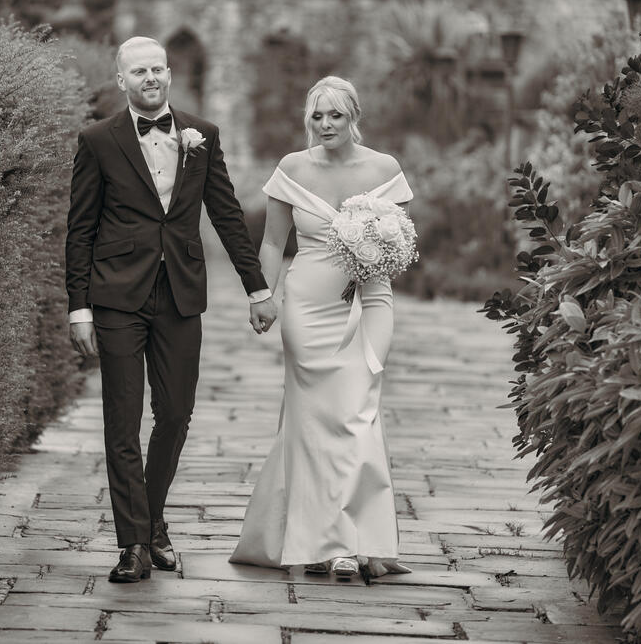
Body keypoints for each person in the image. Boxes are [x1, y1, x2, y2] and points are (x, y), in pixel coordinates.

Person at [65, 36, 278, 583]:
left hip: (180, 294)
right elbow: (81, 229)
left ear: (169, 74)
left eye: (158, 68)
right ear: (121, 80)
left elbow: (227, 214)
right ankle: (133, 544)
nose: (151, 77)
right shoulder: (97, 141)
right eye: (139, 71)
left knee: (177, 413)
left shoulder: (201, 136)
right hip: (117, 296)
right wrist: (78, 306)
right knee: (121, 421)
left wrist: (257, 288)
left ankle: (152, 519)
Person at [230, 75, 413, 579]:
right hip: (308, 308)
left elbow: (399, 243)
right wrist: (262, 295)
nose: (325, 124)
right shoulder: (292, 168)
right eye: (317, 115)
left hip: (371, 302)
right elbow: (272, 243)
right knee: (314, 422)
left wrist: (378, 247)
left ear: (354, 115)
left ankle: (369, 541)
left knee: (359, 412)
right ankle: (331, 544)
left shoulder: (385, 168)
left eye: (335, 114)